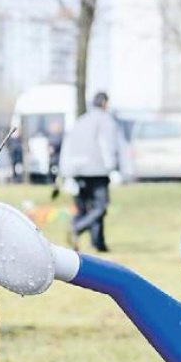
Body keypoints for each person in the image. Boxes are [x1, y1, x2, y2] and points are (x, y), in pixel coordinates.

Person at [57, 92, 130, 252]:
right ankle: (76, 228)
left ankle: (98, 243)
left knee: (85, 208)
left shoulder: (81, 120)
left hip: (76, 170)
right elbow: (107, 144)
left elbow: (68, 143)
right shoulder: (105, 120)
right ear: (104, 103)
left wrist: (66, 171)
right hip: (96, 170)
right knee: (100, 207)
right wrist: (112, 166)